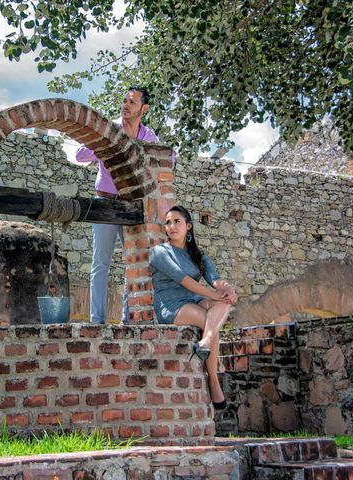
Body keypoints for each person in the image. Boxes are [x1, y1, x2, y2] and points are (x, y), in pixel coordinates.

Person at [76, 86, 166, 324]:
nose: (126, 105)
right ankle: (97, 321)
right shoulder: (110, 129)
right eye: (124, 100)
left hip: (131, 206)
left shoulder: (148, 136)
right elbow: (79, 155)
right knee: (100, 263)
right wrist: (104, 146)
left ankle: (128, 319)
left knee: (134, 262)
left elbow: (168, 159)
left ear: (143, 109)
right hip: (104, 201)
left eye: (132, 102)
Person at [149, 205, 237, 409]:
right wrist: (214, 294)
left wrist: (228, 290)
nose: (171, 226)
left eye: (177, 221)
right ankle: (214, 382)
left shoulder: (198, 254)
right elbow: (184, 280)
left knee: (221, 306)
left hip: (195, 299)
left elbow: (215, 279)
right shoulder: (159, 252)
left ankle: (205, 341)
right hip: (171, 304)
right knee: (210, 320)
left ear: (188, 226)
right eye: (168, 222)